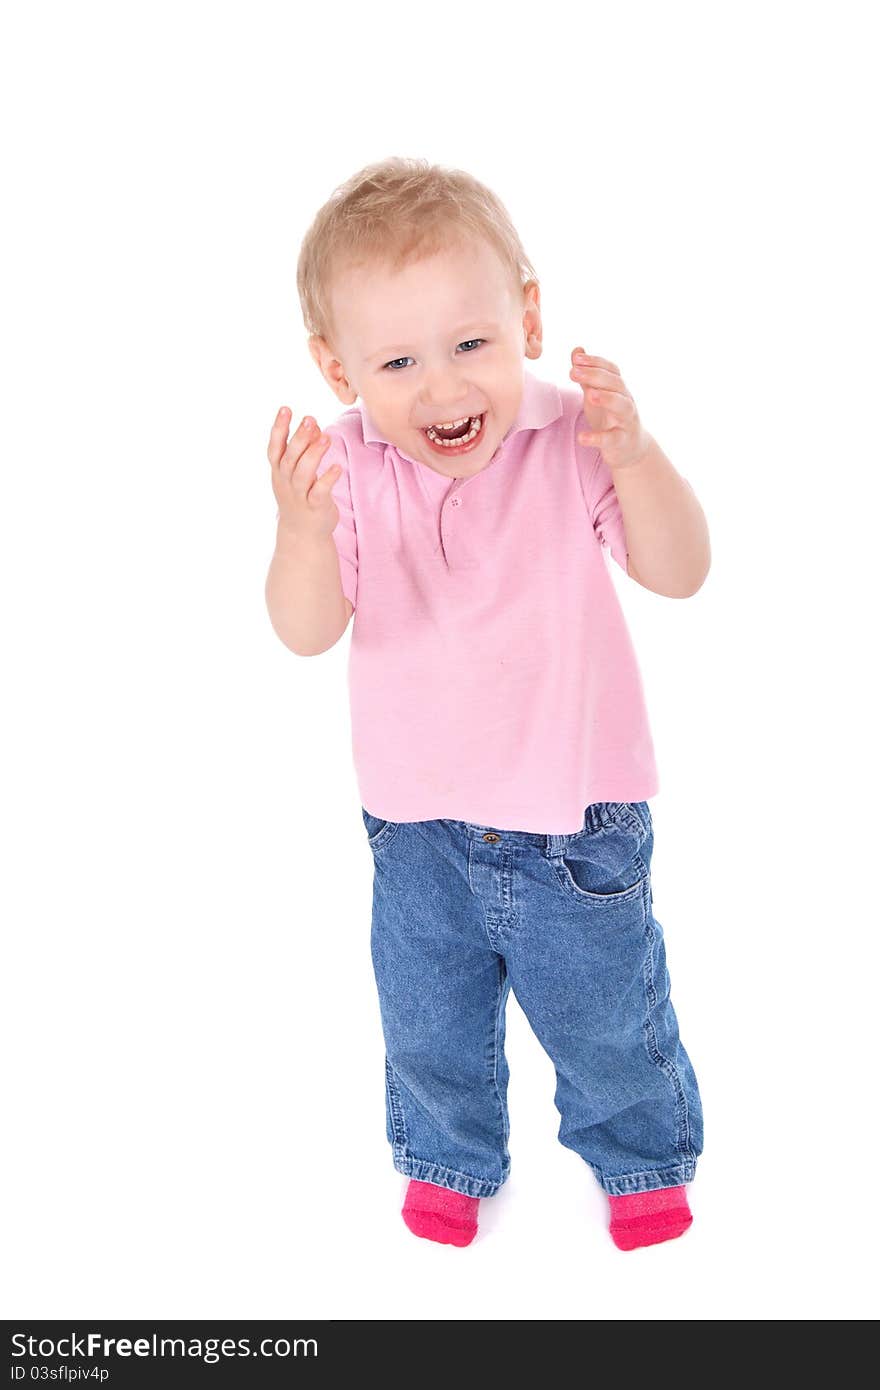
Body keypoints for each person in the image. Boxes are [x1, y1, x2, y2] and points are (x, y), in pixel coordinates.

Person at [265, 156, 709, 1252]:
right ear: (338, 369)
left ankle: (640, 1151)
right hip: (417, 830)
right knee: (428, 1019)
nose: (444, 387)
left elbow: (681, 569)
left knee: (606, 1009)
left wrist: (639, 457)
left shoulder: (572, 434)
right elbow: (305, 629)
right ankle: (447, 1153)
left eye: (470, 344)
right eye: (398, 361)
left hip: (577, 817)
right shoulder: (352, 469)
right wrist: (302, 532)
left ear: (528, 316)